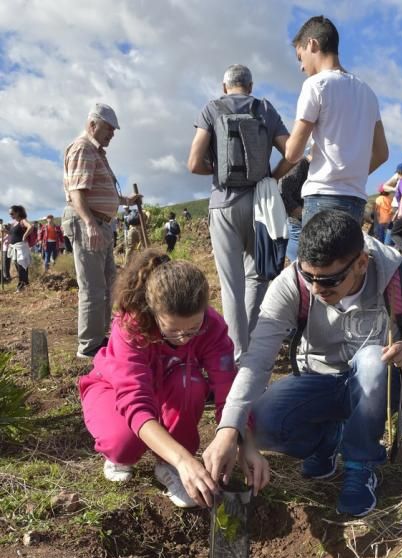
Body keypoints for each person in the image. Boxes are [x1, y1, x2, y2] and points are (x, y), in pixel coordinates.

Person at [203, 210, 402, 518]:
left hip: (376, 387)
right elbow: (257, 360)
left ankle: (361, 465)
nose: (316, 290)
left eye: (330, 280)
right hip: (319, 382)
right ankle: (327, 441)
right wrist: (230, 428)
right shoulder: (291, 284)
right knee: (263, 421)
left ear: (362, 263)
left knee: (373, 360)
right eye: (309, 277)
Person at [79, 251, 268, 508]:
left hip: (170, 383)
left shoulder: (212, 326)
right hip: (113, 388)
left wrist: (245, 442)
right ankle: (149, 457)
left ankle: (166, 463)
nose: (184, 338)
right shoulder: (132, 327)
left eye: (192, 329)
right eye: (173, 330)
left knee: (190, 381)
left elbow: (228, 388)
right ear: (154, 313)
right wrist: (184, 460)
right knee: (123, 444)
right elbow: (134, 401)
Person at [188, 64, 290, 361]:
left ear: (224, 87)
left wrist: (218, 171)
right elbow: (292, 153)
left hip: (223, 204)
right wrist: (272, 176)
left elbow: (193, 163)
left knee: (231, 285)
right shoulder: (265, 109)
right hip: (259, 203)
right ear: (251, 85)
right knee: (257, 278)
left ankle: (237, 354)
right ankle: (253, 348)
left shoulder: (212, 109)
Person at [285, 15, 389, 227]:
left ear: (312, 44)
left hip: (322, 198)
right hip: (356, 200)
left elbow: (292, 153)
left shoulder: (315, 85)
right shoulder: (367, 92)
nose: (301, 67)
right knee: (347, 261)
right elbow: (382, 153)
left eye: (299, 57)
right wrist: (352, 173)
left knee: (315, 260)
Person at [62, 103, 142, 359]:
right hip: (90, 223)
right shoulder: (83, 148)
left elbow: (100, 192)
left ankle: (99, 337)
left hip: (100, 223)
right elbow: (77, 193)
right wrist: (89, 223)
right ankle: (88, 346)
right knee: (93, 287)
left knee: (108, 285)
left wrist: (127, 201)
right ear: (93, 124)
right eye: (109, 128)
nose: (113, 134)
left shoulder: (96, 152)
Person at [279, 156, 310, 262]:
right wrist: (299, 212)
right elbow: (282, 190)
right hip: (296, 223)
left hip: (302, 222)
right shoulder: (301, 164)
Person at [7, 205, 35, 291]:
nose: (11, 215)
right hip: (14, 248)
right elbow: (12, 234)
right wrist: (6, 232)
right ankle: (24, 284)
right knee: (18, 267)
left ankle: (22, 286)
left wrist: (25, 236)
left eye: (12, 213)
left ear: (18, 212)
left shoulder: (23, 221)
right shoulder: (13, 223)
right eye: (9, 214)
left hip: (21, 247)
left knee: (22, 266)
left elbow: (31, 226)